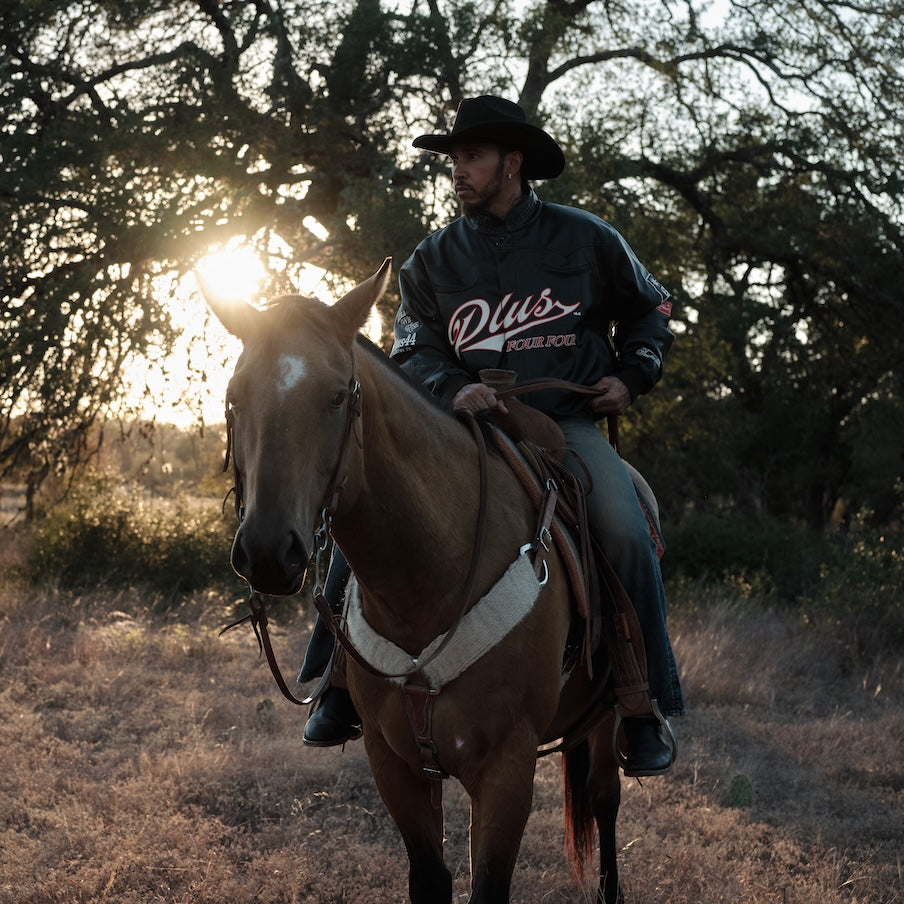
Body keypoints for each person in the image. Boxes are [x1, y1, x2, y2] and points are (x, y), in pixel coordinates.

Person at [301, 95, 684, 775]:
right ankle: (337, 684)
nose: (458, 171)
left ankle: (641, 702)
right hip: (463, 429)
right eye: (453, 160)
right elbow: (413, 348)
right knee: (361, 514)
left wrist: (632, 375)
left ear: (513, 162)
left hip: (562, 425)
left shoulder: (586, 237)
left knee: (623, 527)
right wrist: (454, 388)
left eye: (471, 157)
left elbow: (652, 309)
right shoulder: (433, 260)